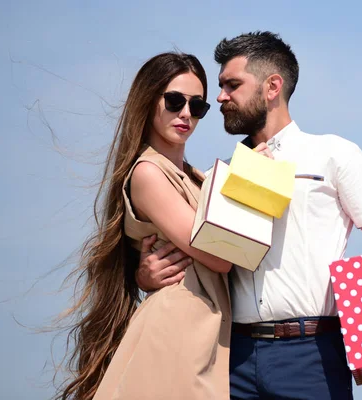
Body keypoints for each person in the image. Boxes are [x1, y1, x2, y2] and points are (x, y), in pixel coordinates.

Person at [137, 31, 362, 400]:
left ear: (272, 86)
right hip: (230, 359)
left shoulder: (334, 155)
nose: (221, 97)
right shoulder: (214, 176)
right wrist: (143, 276)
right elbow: (192, 253)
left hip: (313, 355)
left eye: (232, 85)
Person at [57, 52, 237, 400]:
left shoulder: (196, 177)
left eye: (197, 106)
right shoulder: (148, 173)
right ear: (148, 100)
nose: (186, 113)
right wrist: (250, 179)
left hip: (205, 331)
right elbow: (218, 257)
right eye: (174, 101)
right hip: (178, 329)